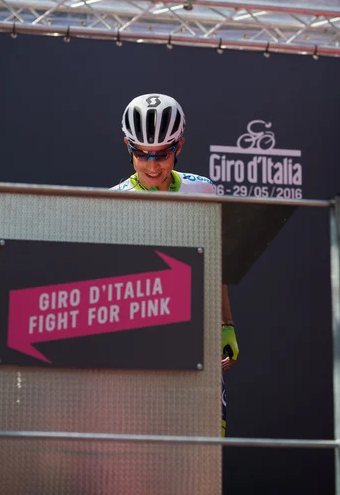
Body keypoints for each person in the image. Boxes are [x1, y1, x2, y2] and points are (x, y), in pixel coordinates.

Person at [111, 93, 239, 436]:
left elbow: (216, 266)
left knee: (205, 447)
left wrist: (225, 325)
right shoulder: (112, 200)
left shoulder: (204, 191)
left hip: (196, 341)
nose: (152, 166)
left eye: (163, 154)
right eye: (141, 154)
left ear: (179, 146)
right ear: (128, 145)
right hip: (139, 342)